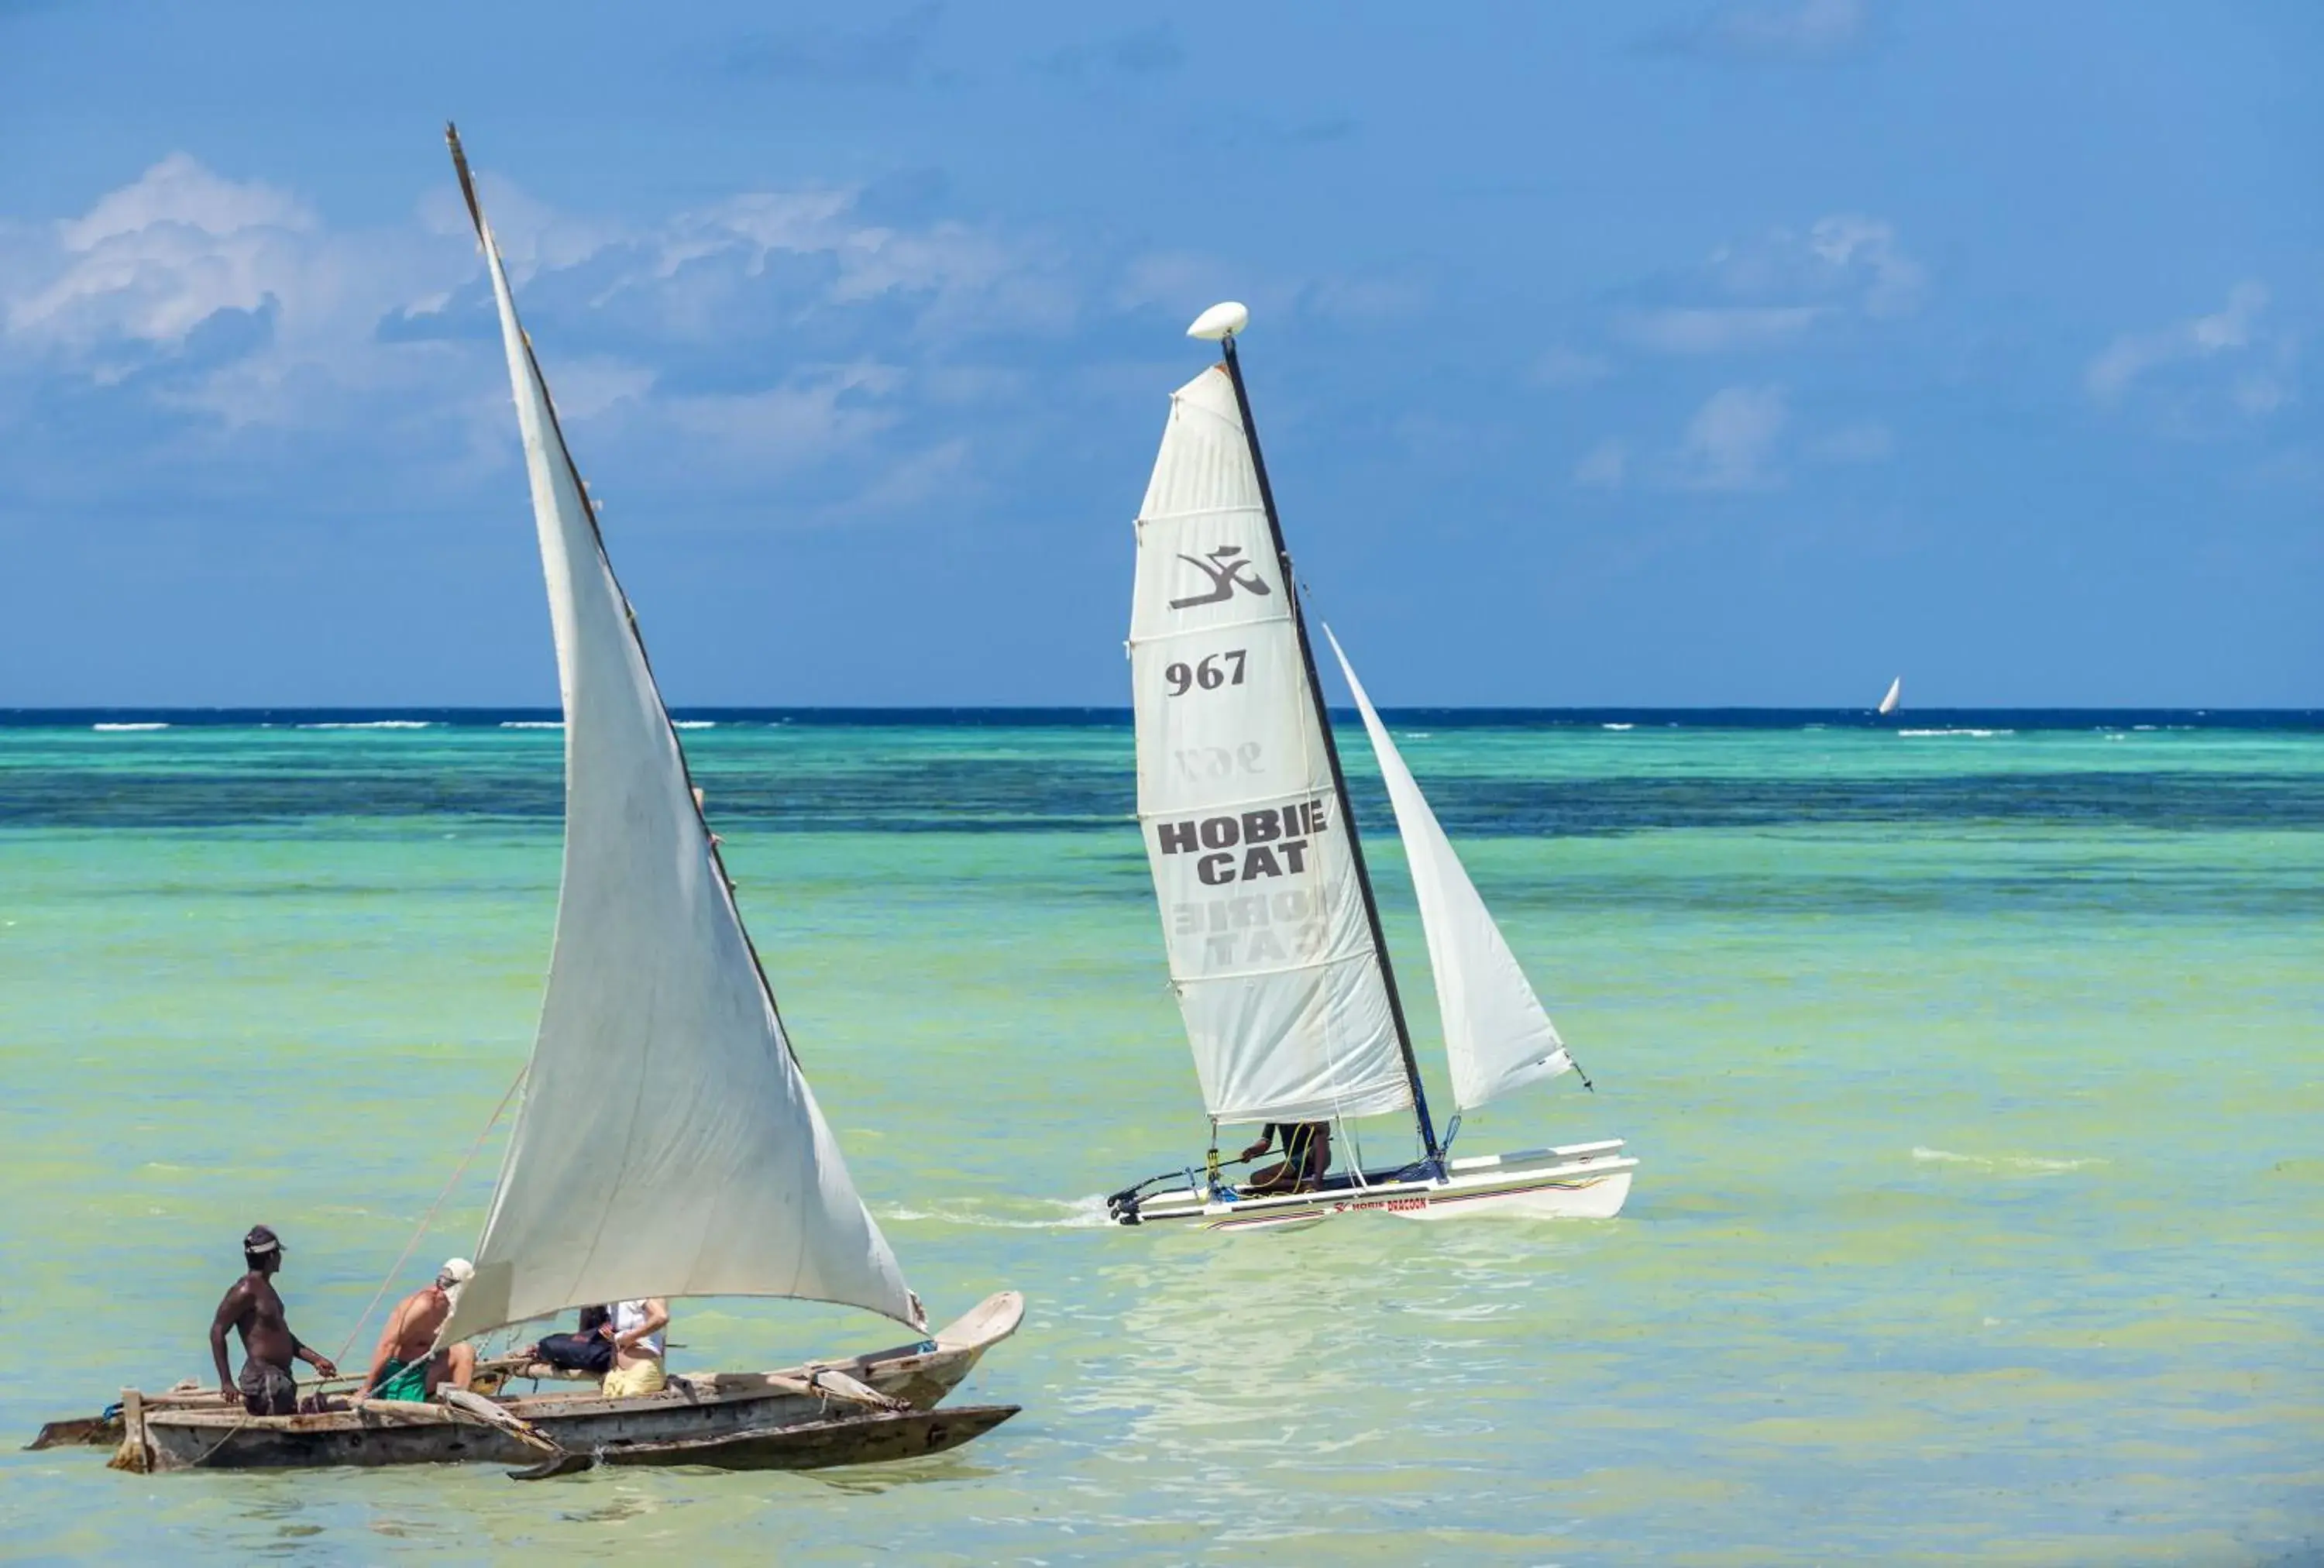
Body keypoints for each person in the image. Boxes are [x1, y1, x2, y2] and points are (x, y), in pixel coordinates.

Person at [209, 1226, 338, 1415]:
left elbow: (282, 1335)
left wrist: (316, 1360)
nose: (280, 1258)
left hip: (279, 1379)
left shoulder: (265, 1289)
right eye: (278, 1253)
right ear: (271, 1256)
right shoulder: (245, 1290)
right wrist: (226, 1382)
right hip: (264, 1382)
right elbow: (217, 1331)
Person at [364, 1259, 479, 1402]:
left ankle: (459, 1404)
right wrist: (366, 1389)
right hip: (400, 1378)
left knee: (464, 1351)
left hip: (423, 1372)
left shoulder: (449, 1307)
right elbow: (387, 1346)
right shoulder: (422, 1306)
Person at [600, 1298, 669, 1398]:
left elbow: (661, 1317)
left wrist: (629, 1338)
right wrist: (613, 1338)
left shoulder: (636, 1292)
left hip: (642, 1373)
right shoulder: (611, 1301)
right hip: (618, 1374)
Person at [1239, 1122, 1332, 1195]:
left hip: (1315, 1157)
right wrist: (1251, 1151)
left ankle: (1317, 1182)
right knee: (1256, 1178)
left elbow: (1325, 1131)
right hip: (1294, 1164)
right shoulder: (1276, 1112)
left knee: (1321, 1138)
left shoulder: (1307, 1106)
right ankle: (1305, 1184)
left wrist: (1314, 1124)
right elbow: (1266, 1142)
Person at [527, 1305, 614, 1375]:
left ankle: (543, 1352)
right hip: (600, 1343)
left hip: (610, 1350)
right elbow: (584, 1336)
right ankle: (542, 1351)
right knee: (552, 1344)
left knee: (551, 1345)